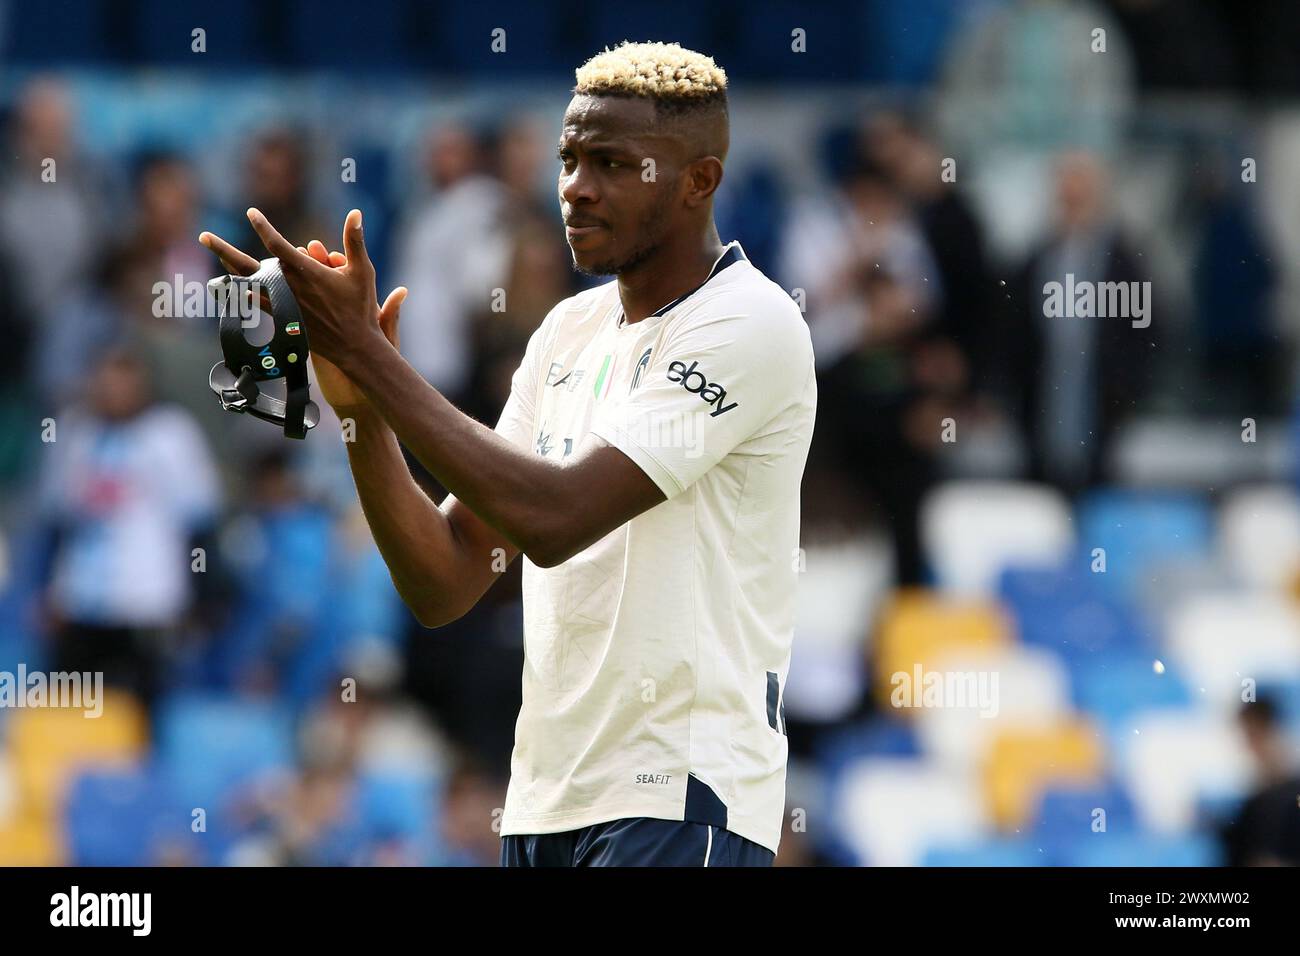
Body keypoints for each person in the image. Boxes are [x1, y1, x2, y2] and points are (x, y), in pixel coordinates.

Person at [200, 41, 816, 867]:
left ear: (698, 181)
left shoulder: (752, 322)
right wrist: (360, 413)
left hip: (679, 797)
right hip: (542, 803)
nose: (574, 187)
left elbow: (557, 519)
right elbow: (447, 578)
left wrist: (372, 355)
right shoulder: (567, 332)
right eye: (567, 159)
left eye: (609, 163)